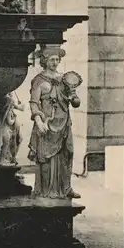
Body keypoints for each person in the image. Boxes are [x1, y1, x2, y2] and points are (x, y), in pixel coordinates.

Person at [28, 45, 81, 199]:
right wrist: (38, 120)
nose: (55, 62)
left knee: (67, 153)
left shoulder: (65, 79)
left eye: (57, 59)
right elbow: (33, 103)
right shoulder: (39, 80)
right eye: (52, 59)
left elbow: (76, 102)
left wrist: (74, 97)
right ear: (44, 60)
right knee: (46, 157)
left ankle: (66, 188)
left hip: (64, 123)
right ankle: (45, 190)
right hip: (47, 124)